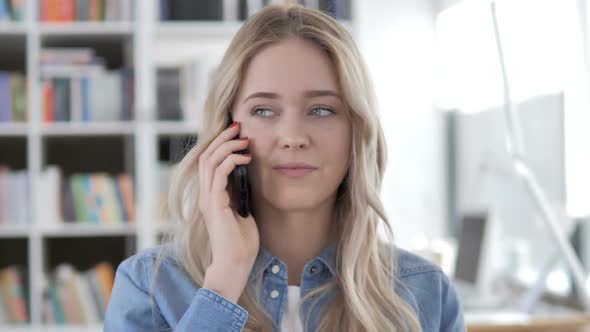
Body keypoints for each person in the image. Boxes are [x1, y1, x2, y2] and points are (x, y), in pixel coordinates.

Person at [104, 3, 465, 332]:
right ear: (227, 131)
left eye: (321, 110)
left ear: (356, 130)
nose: (292, 137)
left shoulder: (426, 292)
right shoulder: (149, 286)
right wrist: (223, 283)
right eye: (263, 111)